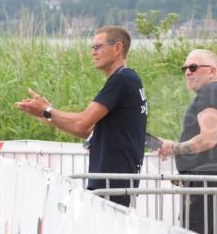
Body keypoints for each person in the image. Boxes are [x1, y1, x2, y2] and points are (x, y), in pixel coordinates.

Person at [15, 26, 148, 207]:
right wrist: (48, 116)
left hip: (111, 181)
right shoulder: (127, 79)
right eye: (92, 47)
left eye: (98, 47)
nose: (93, 52)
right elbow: (91, 132)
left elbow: (81, 123)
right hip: (114, 180)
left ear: (118, 47)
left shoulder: (121, 80)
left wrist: (47, 110)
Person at [158, 49, 217, 234]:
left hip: (204, 186)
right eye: (185, 68)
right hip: (209, 185)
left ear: (212, 71)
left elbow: (208, 139)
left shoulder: (211, 91)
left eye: (193, 67)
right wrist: (174, 146)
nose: (187, 72)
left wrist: (175, 148)